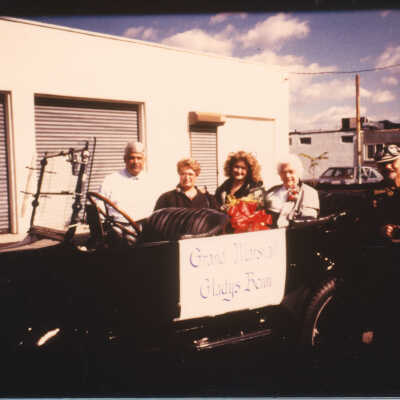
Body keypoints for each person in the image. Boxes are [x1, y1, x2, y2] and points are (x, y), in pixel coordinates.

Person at [264, 153, 319, 228]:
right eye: (283, 172)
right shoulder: (271, 192)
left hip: (294, 235)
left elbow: (308, 222)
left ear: (298, 172)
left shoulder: (310, 193)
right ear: (279, 174)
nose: (287, 175)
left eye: (291, 172)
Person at [100, 141, 150, 220]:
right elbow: (99, 209)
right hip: (118, 229)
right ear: (125, 159)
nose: (135, 162)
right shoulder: (110, 181)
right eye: (132, 158)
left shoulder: (151, 181)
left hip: (147, 228)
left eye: (139, 158)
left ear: (144, 160)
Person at [368, 144, 400, 240]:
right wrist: (380, 230)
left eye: (392, 161)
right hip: (385, 248)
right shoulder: (374, 192)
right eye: (382, 164)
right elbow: (366, 221)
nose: (387, 166)